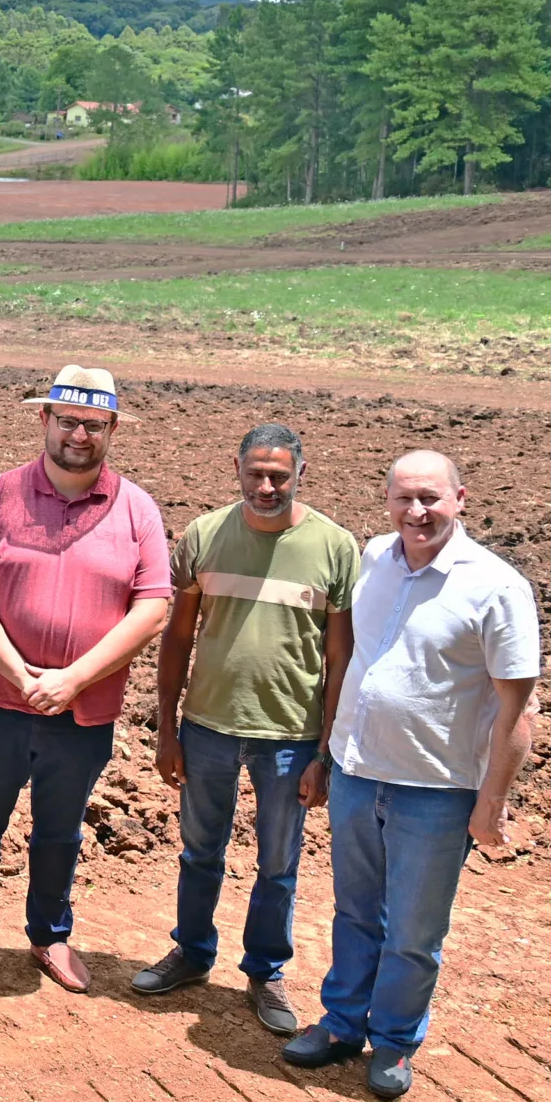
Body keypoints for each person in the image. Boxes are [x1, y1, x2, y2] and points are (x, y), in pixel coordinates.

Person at [282, 451, 539, 1102]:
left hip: (436, 791)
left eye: (430, 497)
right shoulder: (373, 560)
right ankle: (342, 1024)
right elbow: (350, 663)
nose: (416, 512)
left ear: (460, 497)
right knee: (354, 913)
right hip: (357, 774)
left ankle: (394, 1041)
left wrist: (493, 801)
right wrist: (326, 753)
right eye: (403, 499)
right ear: (387, 501)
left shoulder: (496, 586)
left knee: (413, 933)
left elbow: (518, 708)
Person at [0, 365, 170, 994]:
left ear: (112, 427)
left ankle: (49, 932)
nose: (79, 435)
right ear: (45, 421)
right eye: (68, 421)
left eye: (93, 424)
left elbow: (152, 606)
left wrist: (72, 680)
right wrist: (20, 673)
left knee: (61, 827)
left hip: (84, 710)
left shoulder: (136, 509)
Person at [134, 423, 359, 1036]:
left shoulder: (335, 547)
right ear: (237, 469)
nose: (267, 485)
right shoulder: (204, 537)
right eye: (256, 474)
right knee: (199, 851)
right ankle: (192, 952)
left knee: (278, 864)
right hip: (207, 725)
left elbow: (341, 656)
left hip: (290, 736)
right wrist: (167, 728)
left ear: (299, 474)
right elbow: (177, 637)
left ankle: (265, 971)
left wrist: (326, 748)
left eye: (279, 476)